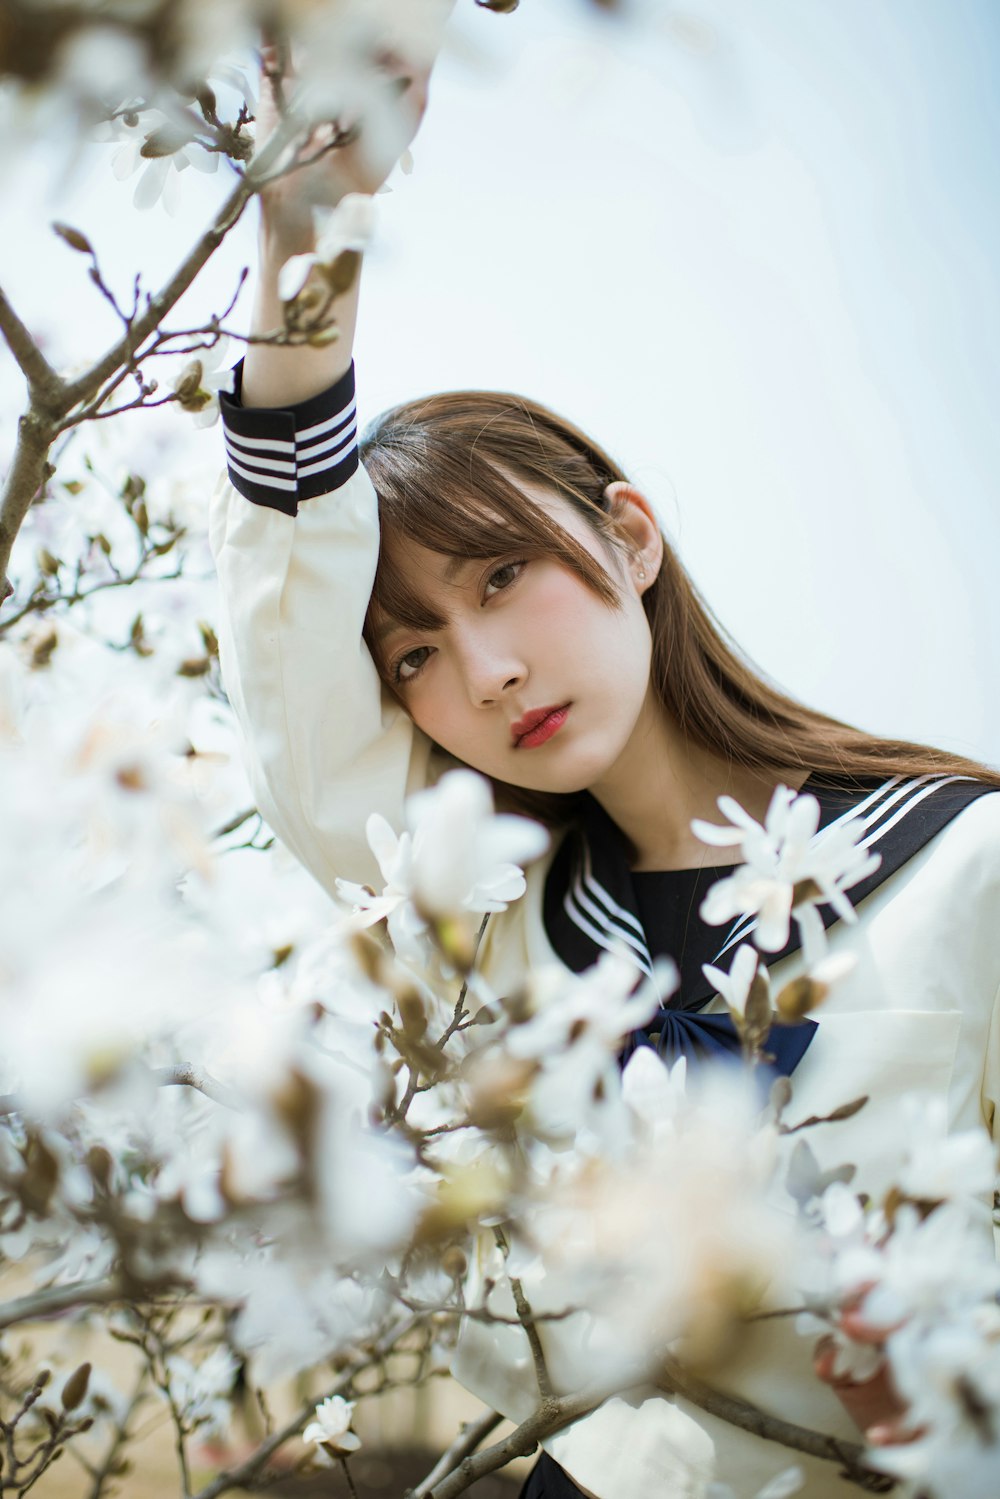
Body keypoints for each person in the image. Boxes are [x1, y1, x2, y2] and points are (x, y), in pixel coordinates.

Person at [209, 45, 1000, 1499]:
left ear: (629, 538)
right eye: (411, 656)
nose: (485, 670)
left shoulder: (963, 866)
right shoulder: (498, 938)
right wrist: (306, 229)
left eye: (504, 575)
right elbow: (287, 667)